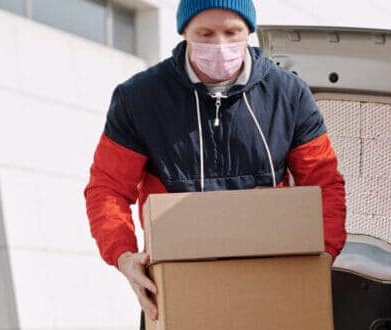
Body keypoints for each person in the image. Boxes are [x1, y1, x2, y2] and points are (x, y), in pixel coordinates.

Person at [83, 0, 346, 327]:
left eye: (232, 32)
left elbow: (324, 183)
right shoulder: (140, 98)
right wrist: (123, 255)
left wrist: (323, 256)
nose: (220, 46)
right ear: (185, 33)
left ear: (248, 31)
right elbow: (108, 187)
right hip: (177, 283)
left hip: (272, 281)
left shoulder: (289, 95)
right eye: (205, 34)